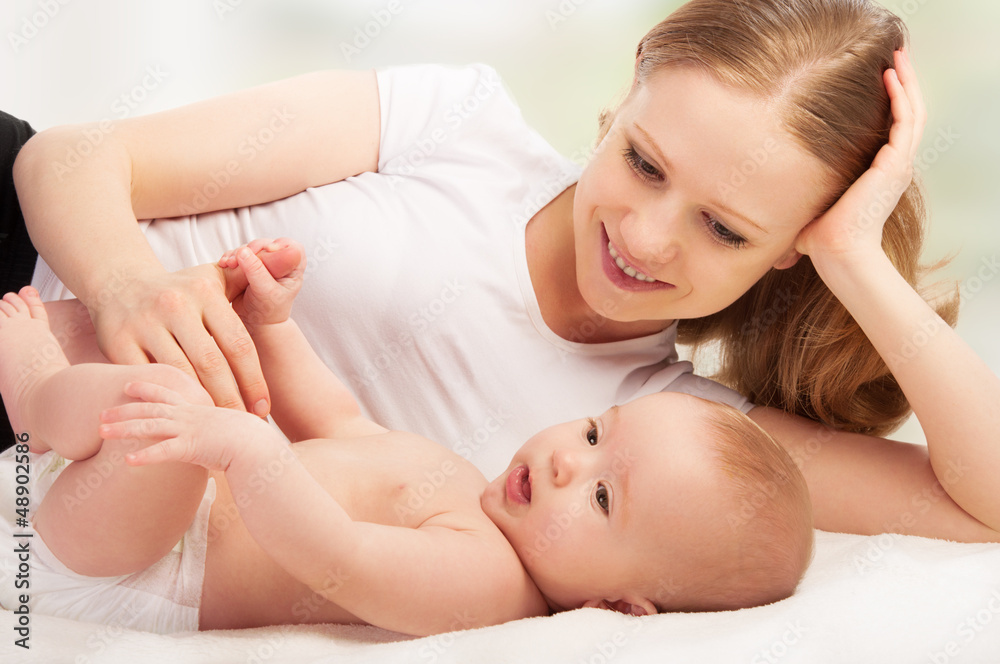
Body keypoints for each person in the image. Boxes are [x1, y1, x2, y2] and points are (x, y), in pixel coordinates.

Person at [5, 0, 1000, 542]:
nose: (648, 239)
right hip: (27, 255)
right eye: (644, 163)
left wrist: (854, 255)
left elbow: (984, 504)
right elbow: (70, 158)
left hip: (55, 446)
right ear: (627, 92)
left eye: (725, 229)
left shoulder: (665, 438)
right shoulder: (457, 122)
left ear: (795, 242)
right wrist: (125, 285)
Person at [0, 240, 814, 636]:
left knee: (163, 396)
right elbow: (339, 423)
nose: (570, 459)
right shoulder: (465, 487)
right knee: (159, 391)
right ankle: (44, 411)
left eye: (603, 496)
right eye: (597, 432)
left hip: (128, 569)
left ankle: (36, 391)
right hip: (123, 509)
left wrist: (250, 451)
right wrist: (273, 324)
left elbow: (340, 558)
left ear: (615, 605)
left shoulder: (490, 587)